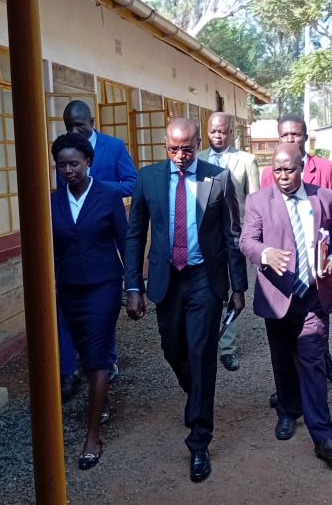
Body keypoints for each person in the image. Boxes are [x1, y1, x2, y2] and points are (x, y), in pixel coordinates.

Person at [124, 118, 247, 483]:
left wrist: (237, 287)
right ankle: (198, 395)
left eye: (188, 149)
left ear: (199, 143)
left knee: (200, 353)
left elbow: (231, 234)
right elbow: (135, 235)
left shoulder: (217, 178)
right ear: (166, 144)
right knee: (173, 349)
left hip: (203, 279)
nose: (181, 155)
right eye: (174, 148)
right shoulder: (148, 179)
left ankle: (198, 440)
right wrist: (133, 286)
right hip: (167, 279)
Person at [240, 144, 332, 461]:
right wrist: (265, 254)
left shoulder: (322, 197)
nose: (283, 176)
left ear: (301, 167)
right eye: (278, 169)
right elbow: (246, 240)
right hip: (278, 295)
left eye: (290, 169)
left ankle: (323, 436)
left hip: (314, 293)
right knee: (284, 361)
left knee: (313, 363)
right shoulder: (258, 201)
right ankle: (287, 410)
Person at [50, 132, 129, 471]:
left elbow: (126, 242)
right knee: (85, 354)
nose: (68, 170)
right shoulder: (51, 201)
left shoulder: (108, 195)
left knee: (98, 357)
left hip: (104, 287)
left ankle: (92, 435)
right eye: (62, 165)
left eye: (74, 163)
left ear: (88, 162)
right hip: (69, 290)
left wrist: (134, 288)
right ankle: (103, 400)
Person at [57, 100, 138, 402]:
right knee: (64, 314)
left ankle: (106, 360)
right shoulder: (65, 154)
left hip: (104, 226)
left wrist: (96, 188)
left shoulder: (114, 147)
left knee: (103, 314)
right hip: (73, 243)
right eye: (69, 127)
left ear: (92, 121)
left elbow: (132, 182)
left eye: (80, 126)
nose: (75, 131)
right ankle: (68, 371)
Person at [261, 114, 332, 389]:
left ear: (306, 137)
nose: (289, 140)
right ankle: (290, 391)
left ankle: (317, 369)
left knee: (314, 331)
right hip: (284, 268)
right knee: (285, 334)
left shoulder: (325, 168)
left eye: (295, 135)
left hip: (315, 264)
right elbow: (266, 216)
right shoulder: (269, 172)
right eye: (284, 136)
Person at [198, 112, 261, 373]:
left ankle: (227, 348)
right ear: (207, 131)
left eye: (223, 131)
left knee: (235, 288)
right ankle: (205, 340)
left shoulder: (246, 160)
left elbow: (255, 201)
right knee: (209, 288)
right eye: (213, 131)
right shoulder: (198, 159)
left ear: (231, 132)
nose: (218, 136)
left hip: (235, 235)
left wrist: (252, 237)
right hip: (206, 237)